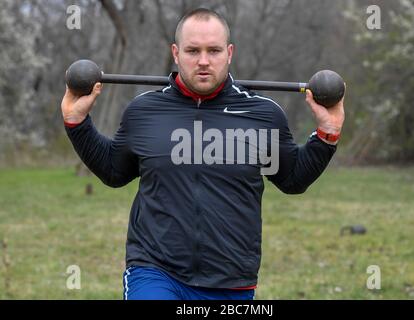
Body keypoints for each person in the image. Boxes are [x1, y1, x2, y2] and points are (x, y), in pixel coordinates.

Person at [61, 8, 345, 300]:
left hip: (232, 280)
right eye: (193, 50)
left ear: (230, 52)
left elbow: (293, 179)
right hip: (155, 270)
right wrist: (77, 124)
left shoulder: (262, 115)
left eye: (214, 50)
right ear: (176, 52)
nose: (204, 61)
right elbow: (114, 171)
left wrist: (326, 134)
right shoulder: (144, 112)